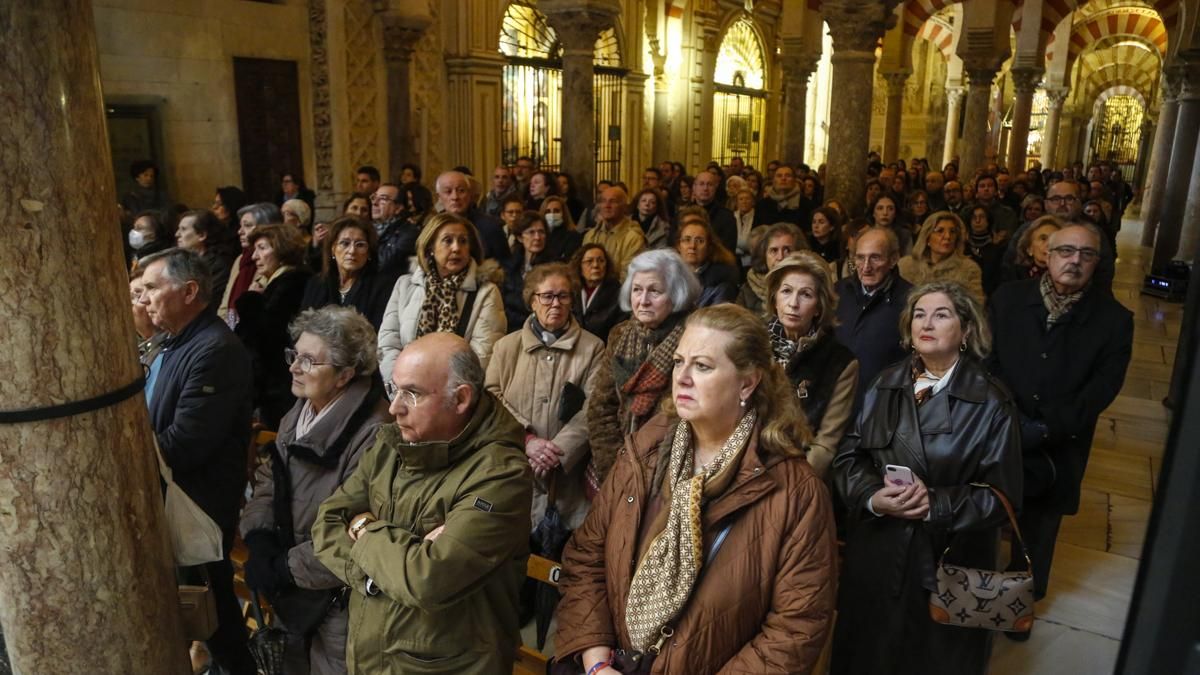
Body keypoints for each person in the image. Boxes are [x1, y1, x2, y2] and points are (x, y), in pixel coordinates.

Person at [555, 304, 838, 673]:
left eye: (702, 366)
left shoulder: (796, 491)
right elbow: (586, 558)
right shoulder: (646, 449)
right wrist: (595, 663)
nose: (682, 378)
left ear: (748, 383)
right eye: (678, 362)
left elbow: (795, 628)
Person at [312, 333, 532, 674]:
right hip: (370, 655)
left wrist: (364, 528)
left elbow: (429, 578)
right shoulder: (392, 443)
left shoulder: (502, 474)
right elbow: (327, 521)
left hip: (445, 665)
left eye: (412, 394)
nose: (394, 407)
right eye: (393, 389)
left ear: (460, 399)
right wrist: (374, 577)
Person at [832, 281, 1021, 675]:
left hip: (946, 559)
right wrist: (870, 495)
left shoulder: (990, 401)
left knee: (931, 660)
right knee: (868, 654)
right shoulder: (885, 383)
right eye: (919, 314)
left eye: (941, 314)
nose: (926, 323)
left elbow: (1003, 496)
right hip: (879, 551)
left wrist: (935, 503)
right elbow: (850, 456)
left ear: (966, 331)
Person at [988, 222, 1133, 609]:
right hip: (1000, 430)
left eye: (1086, 254)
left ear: (1097, 263)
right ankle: (969, 600)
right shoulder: (1008, 299)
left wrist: (1047, 426)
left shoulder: (1115, 320)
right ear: (1047, 257)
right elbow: (988, 361)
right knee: (983, 515)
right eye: (1066, 251)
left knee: (1037, 531)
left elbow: (1101, 390)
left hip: (1060, 443)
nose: (1074, 261)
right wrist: (1009, 417)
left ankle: (1017, 607)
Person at [239, 307, 391, 675]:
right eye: (294, 356)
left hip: (341, 597)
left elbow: (358, 528)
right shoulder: (300, 410)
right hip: (293, 580)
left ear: (345, 374)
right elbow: (270, 479)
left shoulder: (374, 431)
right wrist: (258, 539)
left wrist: (286, 568)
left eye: (308, 361)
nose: (293, 368)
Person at [138, 248, 256, 675]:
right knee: (197, 613)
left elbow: (185, 443)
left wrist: (132, 464)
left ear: (188, 292)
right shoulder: (173, 341)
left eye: (152, 288)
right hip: (171, 497)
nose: (144, 299)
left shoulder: (215, 349)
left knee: (213, 612)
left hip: (197, 502)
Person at [486, 263, 606, 530]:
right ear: (532, 300)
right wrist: (526, 440)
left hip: (566, 484)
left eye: (563, 296)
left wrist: (555, 453)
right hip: (513, 473)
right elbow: (491, 398)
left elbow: (594, 407)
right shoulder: (506, 347)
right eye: (547, 296)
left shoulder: (593, 348)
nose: (556, 303)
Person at [586, 249, 699, 492]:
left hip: (671, 472)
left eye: (655, 291)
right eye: (637, 289)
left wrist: (654, 476)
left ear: (677, 294)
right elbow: (601, 408)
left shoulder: (695, 337)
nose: (643, 300)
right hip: (619, 464)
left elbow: (690, 419)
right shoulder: (620, 334)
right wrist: (615, 471)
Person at [764, 253, 858, 477]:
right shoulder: (751, 345)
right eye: (786, 291)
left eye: (805, 294)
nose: (793, 303)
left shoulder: (840, 362)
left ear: (819, 307)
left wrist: (794, 485)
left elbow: (825, 444)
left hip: (798, 474)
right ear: (775, 298)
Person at [378, 213, 506, 377]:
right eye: (447, 240)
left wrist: (445, 394)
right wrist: (400, 387)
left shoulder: (486, 292)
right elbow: (388, 342)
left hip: (454, 391)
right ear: (430, 246)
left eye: (463, 241)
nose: (456, 248)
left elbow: (483, 355)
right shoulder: (405, 285)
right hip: (404, 388)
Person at [236, 224, 313, 429]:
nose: (254, 257)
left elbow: (265, 335)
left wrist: (250, 300)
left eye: (262, 248)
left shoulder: (290, 284)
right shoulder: (272, 283)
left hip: (281, 384)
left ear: (281, 248)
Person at [834, 226, 913, 406]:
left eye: (875, 257)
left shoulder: (911, 300)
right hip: (837, 404)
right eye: (860, 258)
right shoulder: (836, 292)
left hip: (884, 405)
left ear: (893, 259)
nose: (866, 267)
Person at [300, 216, 400, 330]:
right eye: (345, 243)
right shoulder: (316, 283)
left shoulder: (383, 287)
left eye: (360, 245)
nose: (352, 251)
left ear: (369, 253)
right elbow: (302, 326)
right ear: (333, 248)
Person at [898, 212, 985, 305]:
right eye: (940, 231)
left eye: (952, 231)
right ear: (927, 237)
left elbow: (976, 306)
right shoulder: (906, 266)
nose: (947, 236)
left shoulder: (969, 269)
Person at [219, 202, 282, 329]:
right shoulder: (240, 260)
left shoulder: (275, 261)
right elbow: (225, 305)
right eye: (240, 226)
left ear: (266, 227)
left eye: (247, 226)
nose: (240, 231)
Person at [434, 170, 511, 262]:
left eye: (461, 191)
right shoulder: (433, 228)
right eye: (448, 191)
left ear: (470, 194)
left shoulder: (491, 227)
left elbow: (507, 267)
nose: (455, 197)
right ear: (439, 197)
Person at [736, 222, 805, 315]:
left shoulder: (810, 287)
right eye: (774, 250)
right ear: (764, 255)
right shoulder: (748, 289)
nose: (780, 257)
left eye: (787, 250)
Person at [676, 208, 739, 307]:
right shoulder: (669, 275)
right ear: (679, 246)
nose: (692, 246)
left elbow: (716, 320)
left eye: (699, 241)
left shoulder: (721, 283)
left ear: (709, 247)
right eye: (687, 240)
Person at [581, 186, 646, 281]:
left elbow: (628, 276)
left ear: (624, 207)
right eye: (603, 201)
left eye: (613, 201)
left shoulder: (634, 238)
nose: (607, 205)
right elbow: (583, 267)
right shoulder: (590, 235)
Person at [501, 211, 552, 330]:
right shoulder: (510, 266)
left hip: (541, 329)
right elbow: (504, 302)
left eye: (541, 232)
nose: (537, 237)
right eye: (531, 232)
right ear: (519, 237)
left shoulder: (553, 267)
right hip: (511, 327)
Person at [176, 209, 237, 303]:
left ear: (202, 235)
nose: (177, 234)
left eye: (183, 229)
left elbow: (203, 301)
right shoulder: (180, 261)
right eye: (178, 229)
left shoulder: (219, 266)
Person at [570, 243, 627, 343]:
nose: (596, 265)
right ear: (579, 266)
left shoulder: (618, 294)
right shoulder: (571, 291)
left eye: (601, 261)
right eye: (589, 261)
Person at [371, 183, 420, 278]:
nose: (374, 203)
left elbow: (383, 265)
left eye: (383, 199)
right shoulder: (368, 228)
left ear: (398, 208)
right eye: (374, 197)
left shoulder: (409, 233)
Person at [691, 169, 739, 253]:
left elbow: (727, 250)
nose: (705, 188)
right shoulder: (682, 215)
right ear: (694, 187)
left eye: (709, 184)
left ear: (715, 188)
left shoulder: (727, 217)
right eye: (701, 184)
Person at [964, 205, 1005, 296]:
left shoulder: (998, 247)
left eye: (981, 217)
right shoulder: (962, 247)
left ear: (988, 221)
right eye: (974, 217)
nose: (977, 221)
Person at [1007, 216, 1062, 281]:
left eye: (1054, 238)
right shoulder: (1014, 275)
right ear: (1029, 249)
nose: (1049, 244)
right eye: (1043, 239)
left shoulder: (1070, 275)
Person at [538, 194, 584, 262]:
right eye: (548, 211)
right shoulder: (538, 236)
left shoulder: (573, 237)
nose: (552, 214)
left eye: (556, 211)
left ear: (564, 214)